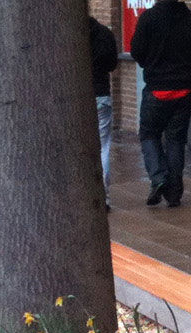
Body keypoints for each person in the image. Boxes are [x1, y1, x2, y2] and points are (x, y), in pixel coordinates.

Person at [130, 0, 191, 208]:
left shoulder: (148, 18)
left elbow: (136, 51)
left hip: (157, 88)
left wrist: (152, 64)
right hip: (184, 90)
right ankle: (174, 193)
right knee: (175, 140)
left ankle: (158, 177)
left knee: (149, 134)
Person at [88, 16, 119, 210]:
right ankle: (104, 196)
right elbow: (112, 64)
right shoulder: (104, 34)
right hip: (101, 95)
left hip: (78, 98)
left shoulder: (72, 37)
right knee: (103, 146)